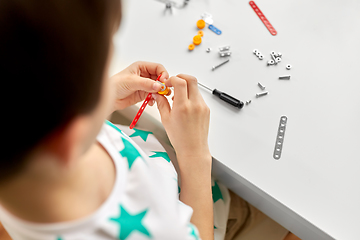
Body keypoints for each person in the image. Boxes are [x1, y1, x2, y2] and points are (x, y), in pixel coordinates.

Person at [0, 0, 300, 239]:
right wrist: (194, 154)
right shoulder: (158, 231)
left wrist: (106, 100)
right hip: (210, 211)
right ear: (70, 132)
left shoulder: (27, 144)